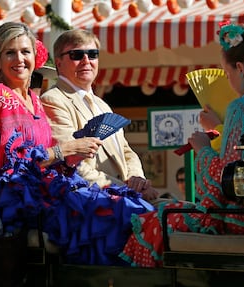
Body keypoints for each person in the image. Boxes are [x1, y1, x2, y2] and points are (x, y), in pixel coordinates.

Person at [0, 22, 155, 266]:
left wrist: (68, 159)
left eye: (25, 51)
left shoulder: (33, 100)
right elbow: (3, 166)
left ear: (36, 56)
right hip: (20, 200)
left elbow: (54, 160)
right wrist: (63, 151)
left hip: (52, 190)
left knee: (132, 207)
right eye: (10, 53)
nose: (20, 59)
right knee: (123, 211)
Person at [119, 21, 244, 267]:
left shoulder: (241, 107)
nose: (229, 81)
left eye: (227, 75)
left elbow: (226, 182)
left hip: (243, 220)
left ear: (240, 68)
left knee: (154, 220)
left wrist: (202, 148)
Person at [40, 28, 158, 202]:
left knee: (184, 212)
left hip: (124, 197)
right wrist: (124, 190)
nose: (86, 60)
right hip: (95, 203)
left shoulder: (102, 105)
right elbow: (72, 165)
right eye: (76, 55)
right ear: (58, 63)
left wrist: (136, 181)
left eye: (93, 54)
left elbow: (126, 151)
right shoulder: (53, 99)